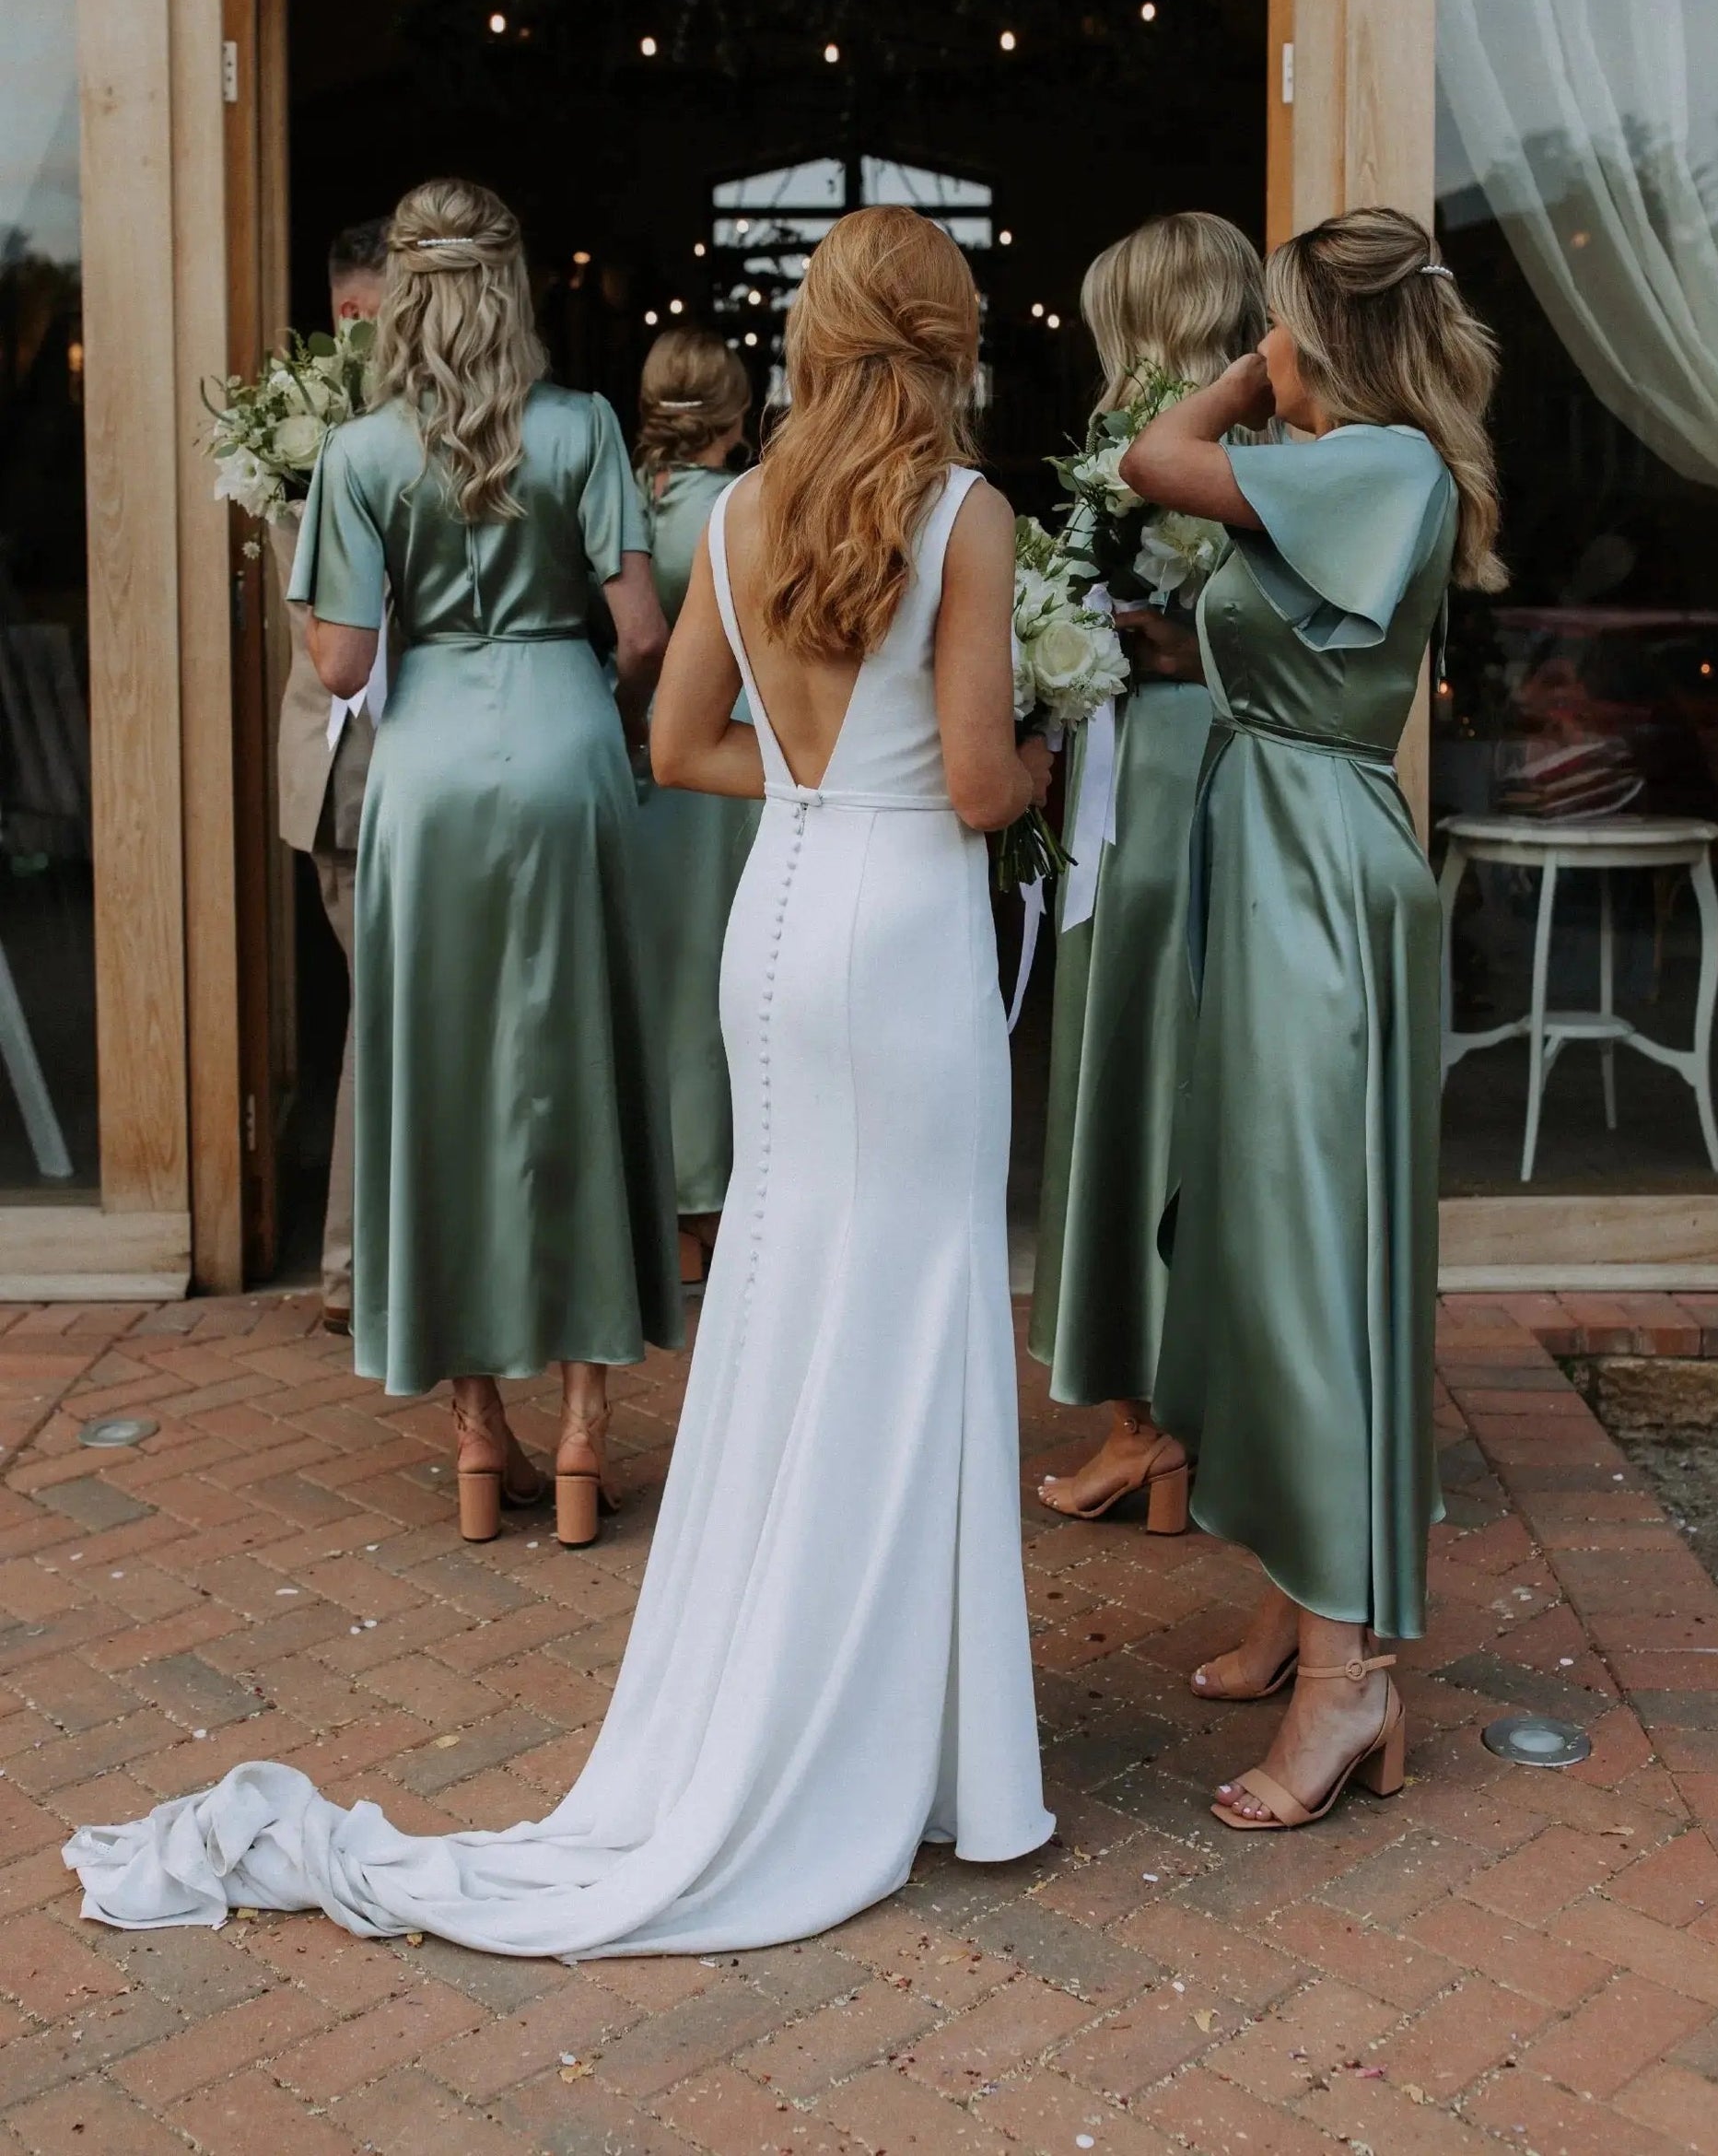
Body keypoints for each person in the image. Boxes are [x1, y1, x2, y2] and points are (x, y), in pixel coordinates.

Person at [65, 202, 1054, 1958]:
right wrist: (1042, 752)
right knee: (916, 1301)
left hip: (782, 920)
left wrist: (824, 791)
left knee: (784, 1287)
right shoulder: (965, 516)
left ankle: (780, 1682)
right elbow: (978, 787)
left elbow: (680, 745)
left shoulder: (747, 510)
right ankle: (931, 1744)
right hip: (901, 931)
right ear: (945, 337)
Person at [1121, 205, 1502, 1834]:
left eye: (1281, 328)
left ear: (1315, 339)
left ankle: (1352, 1678)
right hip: (1271, 862)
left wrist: (1242, 372)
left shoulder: (1383, 465)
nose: (1261, 356)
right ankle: (1302, 1599)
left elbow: (1151, 453)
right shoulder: (1346, 466)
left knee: (1309, 1259)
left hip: (1313, 883)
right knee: (1266, 1246)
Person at [298, 178, 678, 1545]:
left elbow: (341, 660)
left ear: (398, 294)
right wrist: (591, 696)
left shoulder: (359, 452)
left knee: (439, 1076)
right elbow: (639, 631)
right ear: (514, 286)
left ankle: (477, 1436)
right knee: (573, 1060)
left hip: (432, 769)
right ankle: (584, 1435)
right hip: (568, 745)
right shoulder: (580, 429)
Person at [1029, 213, 1265, 1529]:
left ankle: (1143, 1423)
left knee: (1132, 1063)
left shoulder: (1134, 454)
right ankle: (1204, 1411)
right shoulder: (1283, 443)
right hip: (1234, 773)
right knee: (1208, 1077)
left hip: (1149, 789)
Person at [269, 217, 390, 1336]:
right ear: (357, 316)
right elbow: (334, 641)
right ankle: (353, 1265)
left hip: (400, 767)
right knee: (383, 1017)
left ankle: (375, 1258)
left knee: (389, 1013)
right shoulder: (313, 441)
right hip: (352, 773)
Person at [632, 327, 758, 1279]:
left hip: (636, 758)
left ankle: (659, 1199)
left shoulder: (630, 504)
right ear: (738, 411)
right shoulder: (741, 509)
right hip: (724, 759)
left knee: (652, 973)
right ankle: (712, 1196)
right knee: (722, 975)